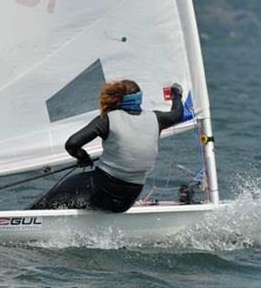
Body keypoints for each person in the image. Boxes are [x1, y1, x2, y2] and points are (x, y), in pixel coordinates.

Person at [29, 80, 183, 212]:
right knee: (88, 187)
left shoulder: (107, 120)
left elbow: (72, 144)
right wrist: (176, 94)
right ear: (139, 99)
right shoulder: (157, 119)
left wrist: (83, 157)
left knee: (61, 191)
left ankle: (30, 217)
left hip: (102, 194)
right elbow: (178, 113)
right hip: (127, 200)